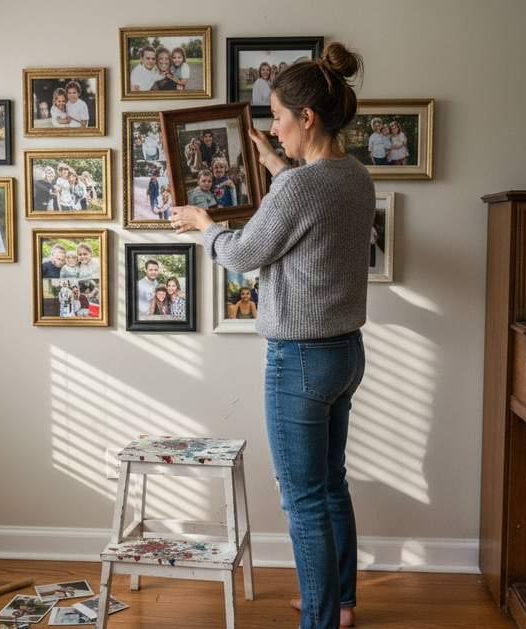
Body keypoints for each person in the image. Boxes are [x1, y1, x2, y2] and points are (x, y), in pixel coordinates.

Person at [171, 42, 373, 629]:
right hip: (344, 355)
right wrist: (273, 162)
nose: (274, 129)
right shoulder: (352, 176)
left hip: (301, 361)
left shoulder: (298, 188)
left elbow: (244, 252)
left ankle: (318, 621)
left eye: (278, 119)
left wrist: (205, 226)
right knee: (330, 486)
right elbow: (306, 195)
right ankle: (339, 605)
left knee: (304, 501)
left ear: (306, 118)